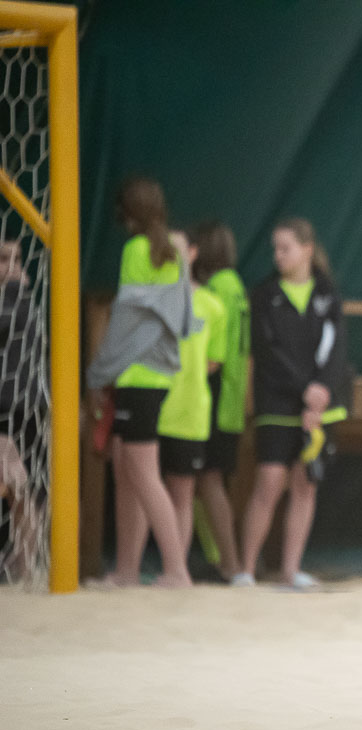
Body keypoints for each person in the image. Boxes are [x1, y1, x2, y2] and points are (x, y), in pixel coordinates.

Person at [86, 177, 195, 588]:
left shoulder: (137, 250)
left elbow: (126, 319)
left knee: (143, 473)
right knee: (130, 471)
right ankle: (128, 571)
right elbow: (181, 318)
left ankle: (176, 570)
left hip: (137, 374)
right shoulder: (174, 251)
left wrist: (99, 373)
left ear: (126, 215)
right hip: (157, 373)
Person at [232, 218, 348, 590]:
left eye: (286, 248)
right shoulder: (264, 295)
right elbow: (267, 351)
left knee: (305, 484)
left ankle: (290, 570)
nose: (278, 256)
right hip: (277, 403)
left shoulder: (328, 294)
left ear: (307, 250)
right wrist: (304, 390)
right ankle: (246, 570)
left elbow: (335, 350)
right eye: (275, 249)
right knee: (269, 481)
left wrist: (321, 391)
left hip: (320, 407)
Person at [137, 227, 229, 579]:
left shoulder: (212, 305)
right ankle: (136, 568)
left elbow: (213, 361)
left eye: (177, 251)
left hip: (189, 411)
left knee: (181, 492)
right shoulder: (148, 300)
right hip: (151, 405)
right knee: (143, 487)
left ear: (192, 253)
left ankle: (174, 570)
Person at [189, 221, 249, 581]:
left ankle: (230, 563)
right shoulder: (235, 285)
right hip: (231, 398)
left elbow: (214, 352)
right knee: (204, 480)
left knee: (207, 480)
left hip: (215, 395)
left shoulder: (216, 289)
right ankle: (223, 559)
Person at [0, 239, 44, 581]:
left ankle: (25, 562)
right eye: (4, 258)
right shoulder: (24, 298)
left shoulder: (16, 300)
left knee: (20, 487)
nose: (11, 265)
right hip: (26, 404)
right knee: (21, 487)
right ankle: (24, 561)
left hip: (14, 405)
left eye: (13, 259)